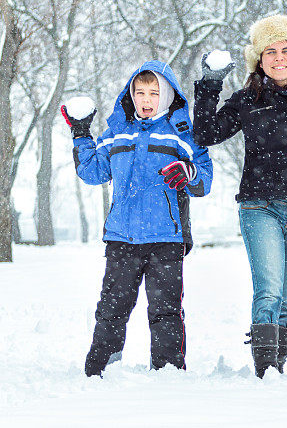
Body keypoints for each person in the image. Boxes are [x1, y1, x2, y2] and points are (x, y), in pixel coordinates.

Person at [193, 14, 287, 378]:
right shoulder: (249, 99)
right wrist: (210, 85)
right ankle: (265, 373)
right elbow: (206, 133)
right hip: (259, 207)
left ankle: (278, 365)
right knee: (269, 292)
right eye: (269, 52)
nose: (278, 58)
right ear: (258, 60)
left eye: (286, 50)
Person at [61, 60, 213, 377]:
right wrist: (80, 133)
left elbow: (204, 183)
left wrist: (189, 172)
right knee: (112, 310)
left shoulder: (183, 136)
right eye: (139, 92)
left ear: (168, 96)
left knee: (165, 311)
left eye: (154, 93)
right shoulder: (117, 134)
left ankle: (168, 370)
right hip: (122, 239)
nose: (146, 99)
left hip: (166, 239)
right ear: (131, 95)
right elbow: (92, 172)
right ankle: (102, 370)